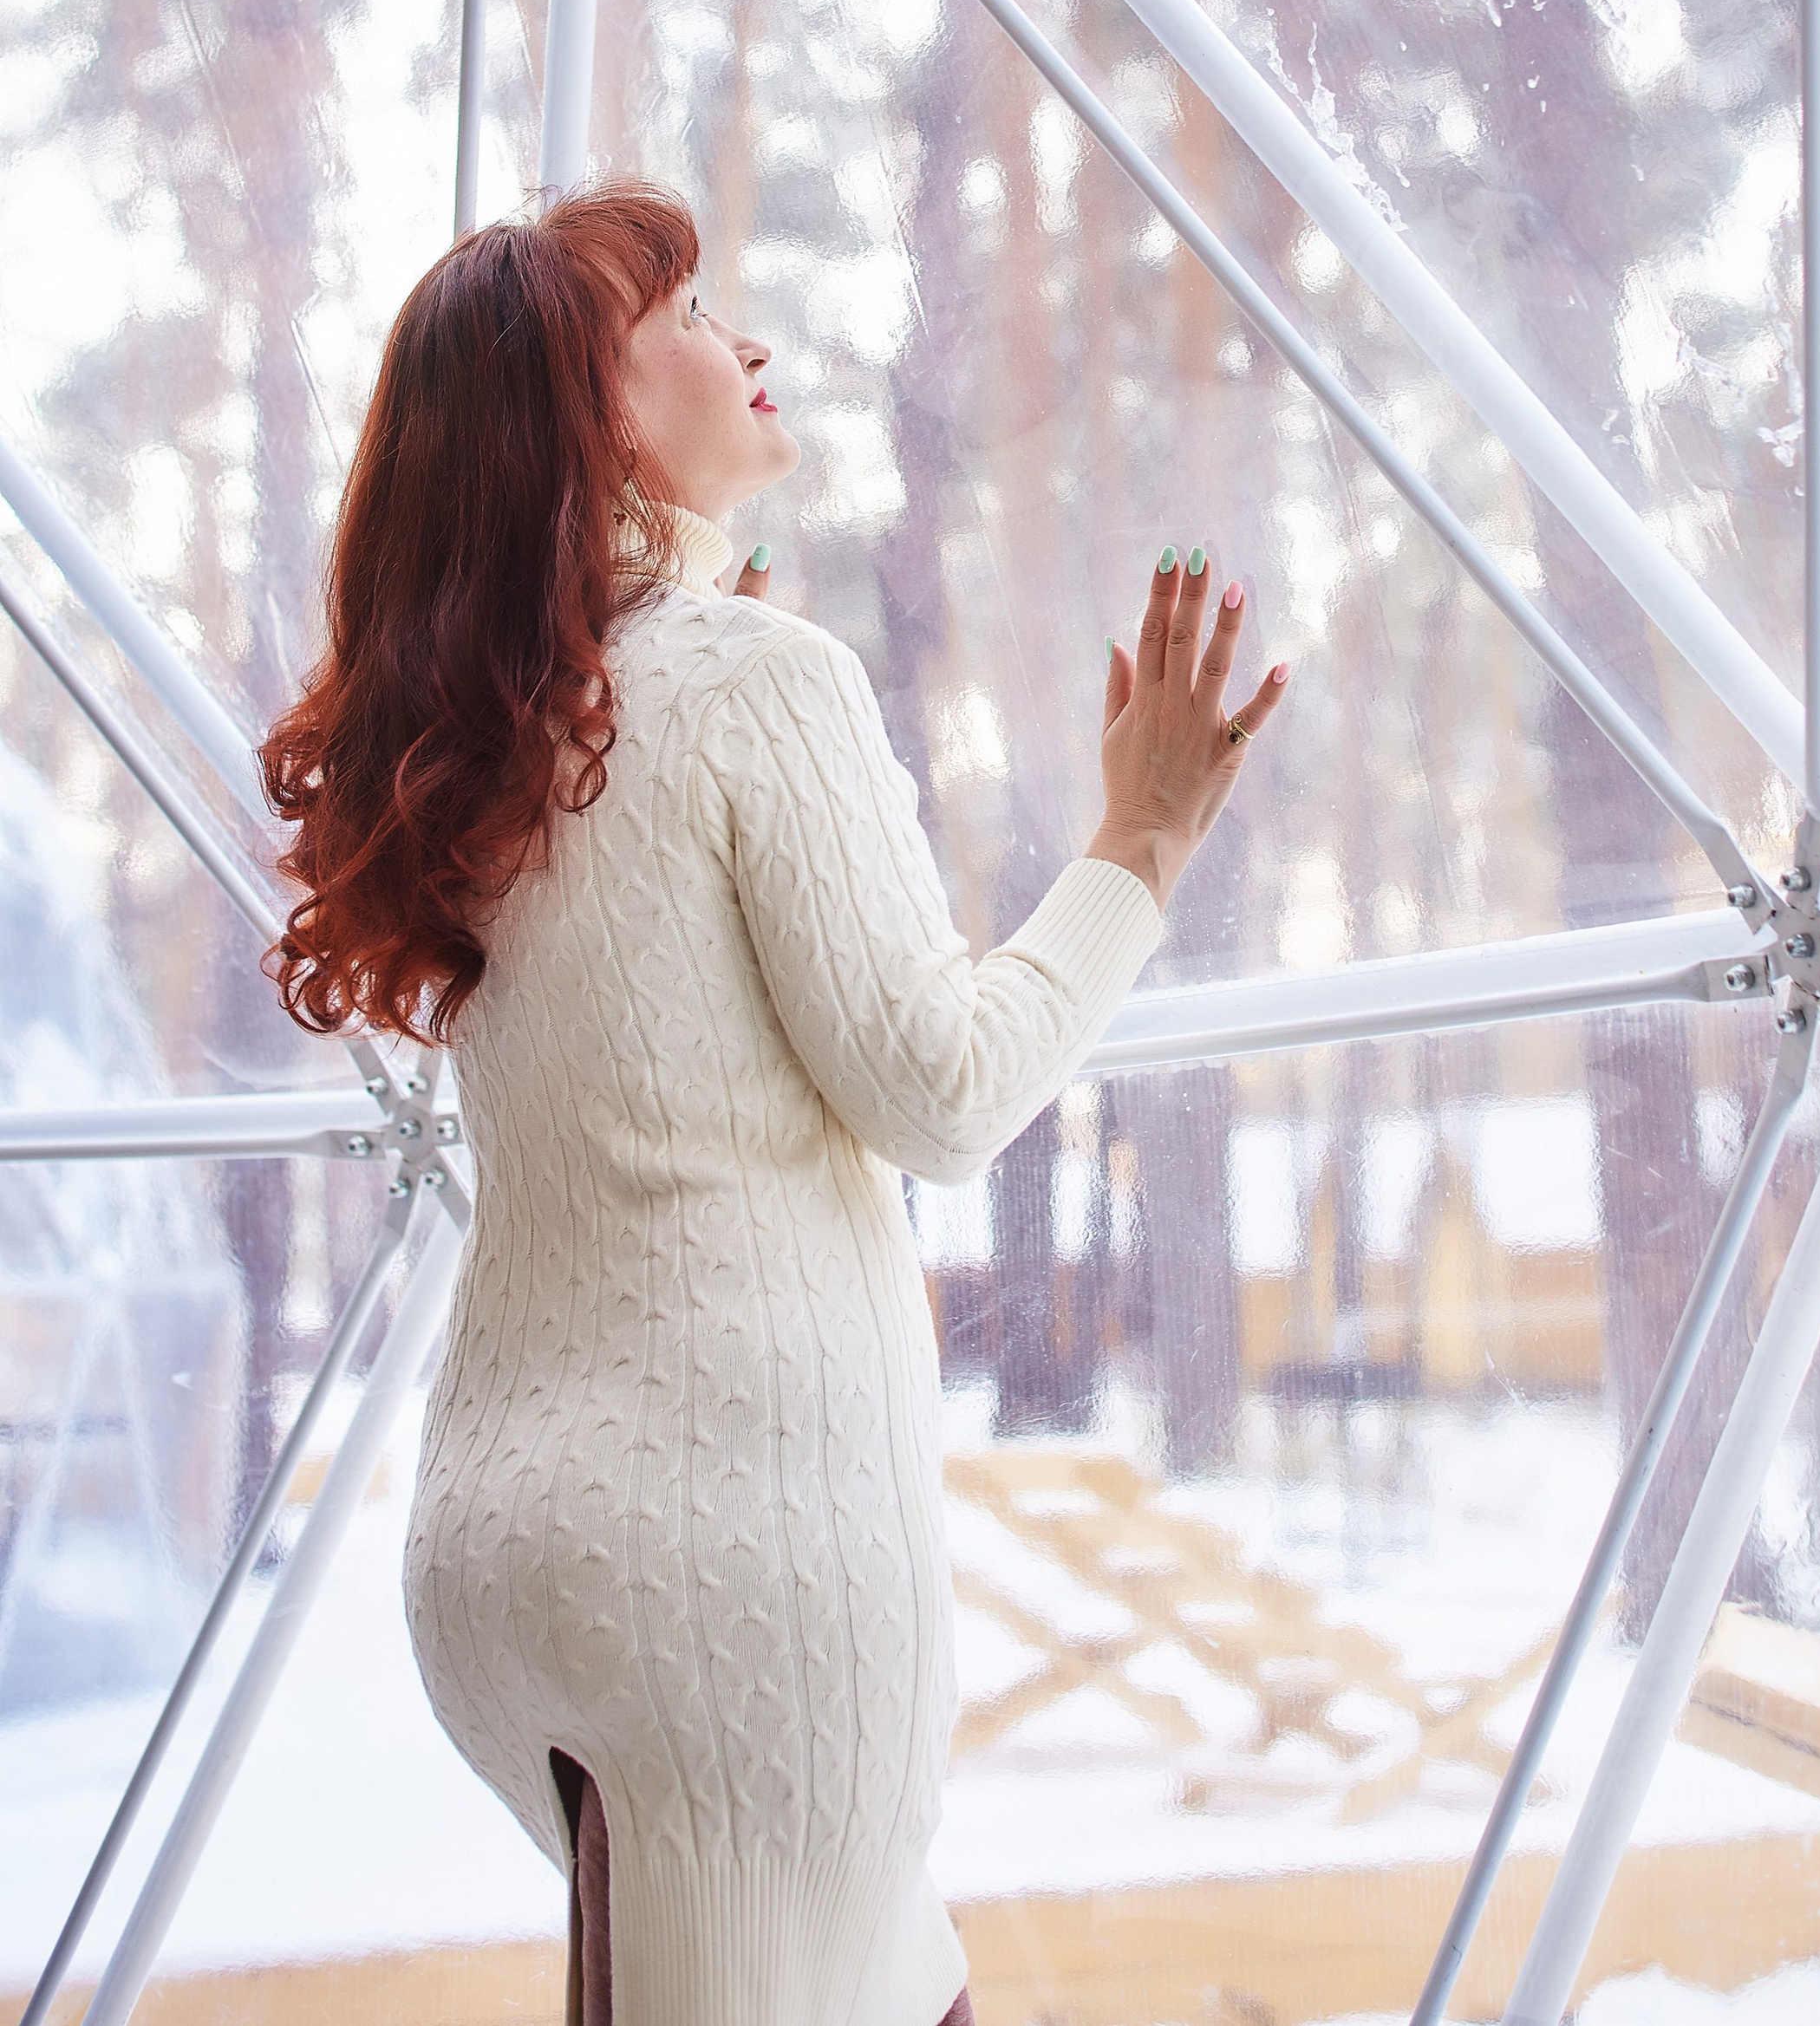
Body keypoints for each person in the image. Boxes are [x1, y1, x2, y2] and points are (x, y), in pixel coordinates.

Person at [260, 180, 1288, 2026]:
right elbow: (942, 1089)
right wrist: (1140, 838)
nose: (745, 340)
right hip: (723, 1572)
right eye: (684, 312)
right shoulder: (749, 679)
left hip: (504, 1556)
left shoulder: (499, 743)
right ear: (594, 417)